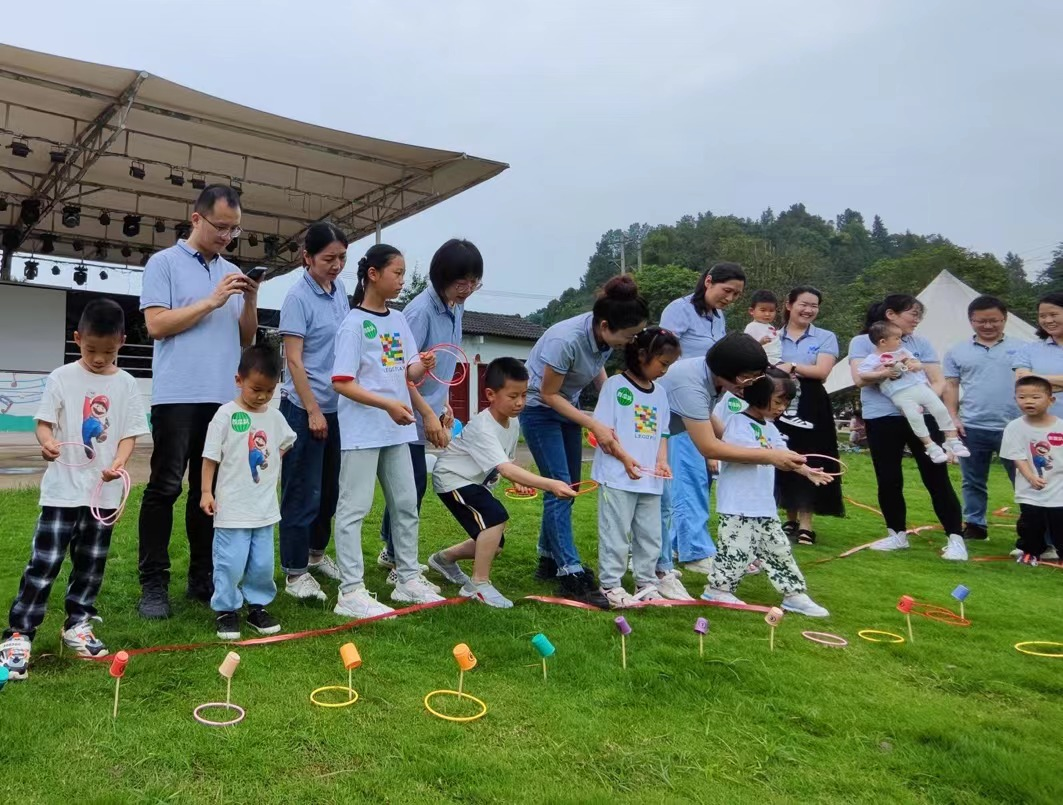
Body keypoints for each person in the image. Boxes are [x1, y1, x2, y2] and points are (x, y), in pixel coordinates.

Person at [0, 300, 148, 680]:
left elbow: (130, 434)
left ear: (122, 342)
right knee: (44, 564)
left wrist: (119, 463)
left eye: (108, 352)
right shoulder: (61, 377)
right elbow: (44, 423)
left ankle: (77, 624)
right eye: (91, 349)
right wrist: (47, 442)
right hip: (61, 494)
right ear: (77, 338)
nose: (99, 359)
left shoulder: (127, 384)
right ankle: (19, 634)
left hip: (102, 495)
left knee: (90, 566)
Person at [137, 184, 259, 619]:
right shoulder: (164, 263)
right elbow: (156, 325)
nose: (227, 236)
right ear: (196, 219)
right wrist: (211, 300)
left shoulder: (232, 272)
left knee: (208, 492)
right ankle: (153, 584)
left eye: (234, 230)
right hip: (177, 397)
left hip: (222, 400)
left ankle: (202, 576)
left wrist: (250, 299)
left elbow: (245, 337)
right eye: (221, 227)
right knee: (164, 488)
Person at [330, 243, 444, 619]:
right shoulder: (353, 325)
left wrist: (423, 364)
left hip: (397, 430)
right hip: (363, 431)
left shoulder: (397, 320)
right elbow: (342, 382)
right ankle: (350, 591)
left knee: (406, 504)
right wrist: (387, 405)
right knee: (354, 509)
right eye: (397, 273)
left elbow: (407, 371)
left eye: (403, 273)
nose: (402, 280)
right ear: (373, 275)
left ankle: (407, 578)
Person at [521, 275, 649, 608]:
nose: (630, 342)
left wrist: (611, 409)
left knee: (570, 488)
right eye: (628, 335)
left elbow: (596, 372)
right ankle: (570, 573)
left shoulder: (603, 338)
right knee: (559, 488)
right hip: (540, 410)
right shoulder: (565, 340)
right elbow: (549, 394)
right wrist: (594, 423)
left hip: (569, 409)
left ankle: (548, 558)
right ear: (605, 325)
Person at [656, 333, 807, 580]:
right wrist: (770, 456)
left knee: (661, 505)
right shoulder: (690, 384)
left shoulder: (713, 377)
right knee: (658, 504)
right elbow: (710, 448)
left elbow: (708, 417)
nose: (752, 383)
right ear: (726, 371)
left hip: (660, 436)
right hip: (644, 439)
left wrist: (747, 442)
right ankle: (654, 570)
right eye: (747, 377)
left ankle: (658, 565)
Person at [428, 358, 576, 607]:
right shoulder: (483, 426)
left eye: (524, 395)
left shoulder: (513, 422)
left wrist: (518, 480)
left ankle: (443, 559)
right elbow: (506, 469)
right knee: (495, 518)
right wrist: (551, 484)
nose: (520, 402)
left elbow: (506, 462)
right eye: (513, 396)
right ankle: (478, 584)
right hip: (453, 479)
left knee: (494, 544)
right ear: (490, 395)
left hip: (475, 483)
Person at [379, 238, 483, 574]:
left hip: (429, 411)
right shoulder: (419, 312)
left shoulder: (456, 307)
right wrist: (426, 414)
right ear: (442, 277)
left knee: (410, 486)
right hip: (406, 414)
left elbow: (445, 360)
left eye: (474, 282)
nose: (467, 290)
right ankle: (397, 558)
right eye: (461, 282)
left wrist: (445, 404)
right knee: (410, 487)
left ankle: (391, 550)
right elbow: (398, 373)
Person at [847, 295, 968, 561]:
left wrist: (922, 402)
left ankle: (956, 539)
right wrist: (887, 373)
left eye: (919, 315)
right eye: (913, 314)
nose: (917, 320)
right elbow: (860, 379)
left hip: (922, 414)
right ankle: (896, 535)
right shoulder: (863, 341)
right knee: (888, 478)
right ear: (891, 314)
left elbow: (938, 380)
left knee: (936, 476)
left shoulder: (920, 343)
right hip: (881, 417)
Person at [701, 372, 831, 616]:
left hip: (763, 505)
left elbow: (783, 455)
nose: (782, 408)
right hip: (738, 504)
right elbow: (744, 455)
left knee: (780, 550)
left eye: (786, 403)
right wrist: (773, 457)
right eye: (778, 401)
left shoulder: (770, 428)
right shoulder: (738, 423)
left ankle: (794, 594)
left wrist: (806, 471)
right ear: (759, 396)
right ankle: (718, 589)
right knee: (735, 551)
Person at [592, 327, 694, 607]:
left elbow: (663, 433)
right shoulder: (615, 386)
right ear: (641, 355)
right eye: (663, 363)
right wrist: (625, 458)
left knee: (650, 535)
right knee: (616, 533)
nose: (665, 370)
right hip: (617, 477)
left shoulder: (660, 393)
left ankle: (646, 583)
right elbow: (603, 433)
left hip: (650, 480)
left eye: (669, 365)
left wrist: (661, 461)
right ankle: (610, 585)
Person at [201, 345, 295, 639]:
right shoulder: (225, 415)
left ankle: (257, 607)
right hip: (232, 509)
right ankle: (226, 609)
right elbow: (210, 456)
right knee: (230, 563)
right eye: (256, 389)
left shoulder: (275, 418)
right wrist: (206, 492)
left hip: (265, 509)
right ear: (238, 380)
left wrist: (271, 460)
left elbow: (286, 442)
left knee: (262, 564)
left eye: (269, 391)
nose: (262, 396)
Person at [658, 263, 746, 576]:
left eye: (736, 295)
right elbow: (663, 353)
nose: (730, 299)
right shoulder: (679, 310)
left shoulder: (718, 317)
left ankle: (678, 545)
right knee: (688, 476)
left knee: (697, 478)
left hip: (705, 400)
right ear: (708, 281)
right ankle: (693, 551)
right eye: (727, 290)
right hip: (678, 400)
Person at [277, 223, 350, 603]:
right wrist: (312, 410)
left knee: (330, 491)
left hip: (337, 408)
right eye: (328, 258)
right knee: (301, 491)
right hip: (303, 408)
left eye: (342, 258)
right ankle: (295, 572)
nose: (336, 265)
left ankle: (316, 555)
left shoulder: (340, 292)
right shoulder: (297, 298)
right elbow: (294, 359)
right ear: (307, 257)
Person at [943, 295, 1022, 542]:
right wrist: (953, 417)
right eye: (981, 321)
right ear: (971, 321)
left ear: (1005, 319)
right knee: (973, 481)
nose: (988, 326)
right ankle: (975, 525)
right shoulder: (957, 351)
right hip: (972, 426)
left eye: (994, 320)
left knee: (1024, 480)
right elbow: (951, 386)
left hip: (1015, 426)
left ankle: (1032, 528)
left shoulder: (1023, 348)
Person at [774, 286, 844, 545]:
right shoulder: (773, 335)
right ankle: (789, 518)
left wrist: (791, 366)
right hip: (776, 401)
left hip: (811, 404)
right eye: (803, 304)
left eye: (814, 305)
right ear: (789, 305)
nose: (809, 310)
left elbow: (822, 372)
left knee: (811, 456)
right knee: (781, 454)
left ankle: (806, 524)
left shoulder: (825, 337)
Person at [857, 321, 970, 464]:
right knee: (915, 418)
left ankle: (952, 440)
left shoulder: (903, 352)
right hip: (900, 394)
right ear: (883, 342)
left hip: (920, 387)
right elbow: (863, 375)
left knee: (940, 409)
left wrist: (914, 365)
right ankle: (930, 446)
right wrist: (882, 373)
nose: (900, 341)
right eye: (897, 338)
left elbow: (919, 364)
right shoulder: (872, 359)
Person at [999, 376, 1063, 564]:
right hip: (1030, 488)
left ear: (1051, 400)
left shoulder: (1060, 426)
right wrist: (1031, 477)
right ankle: (1030, 552)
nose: (1028, 401)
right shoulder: (1014, 427)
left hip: (1059, 488)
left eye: (1035, 397)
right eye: (1022, 397)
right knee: (1030, 523)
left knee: (1060, 523)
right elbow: (1017, 456)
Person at [743, 289, 811, 430]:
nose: (767, 314)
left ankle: (788, 413)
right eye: (763, 310)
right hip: (766, 363)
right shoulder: (752, 327)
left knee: (790, 385)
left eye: (771, 311)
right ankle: (776, 418)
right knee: (771, 392)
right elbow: (747, 347)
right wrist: (760, 342)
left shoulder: (770, 327)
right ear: (752, 311)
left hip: (776, 362)